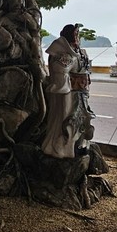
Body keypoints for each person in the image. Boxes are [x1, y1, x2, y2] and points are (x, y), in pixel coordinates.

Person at [41, 24, 93, 158]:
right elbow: (60, 72)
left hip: (80, 94)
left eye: (78, 34)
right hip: (67, 94)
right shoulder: (63, 53)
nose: (77, 37)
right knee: (66, 121)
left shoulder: (79, 52)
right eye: (75, 34)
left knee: (80, 121)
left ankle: (76, 147)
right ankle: (60, 149)